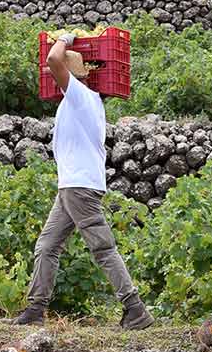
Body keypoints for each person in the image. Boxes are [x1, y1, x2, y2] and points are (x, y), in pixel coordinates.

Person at [8, 33, 153, 330]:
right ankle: (36, 309)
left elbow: (52, 58)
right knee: (47, 245)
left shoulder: (79, 95)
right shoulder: (81, 101)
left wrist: (64, 38)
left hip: (79, 186)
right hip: (71, 185)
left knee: (102, 248)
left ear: (71, 74)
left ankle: (134, 308)